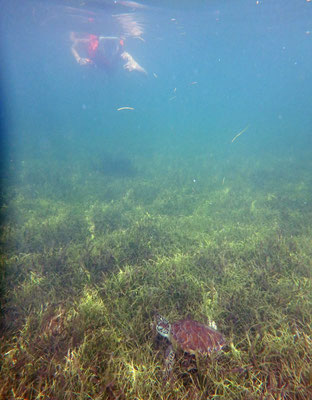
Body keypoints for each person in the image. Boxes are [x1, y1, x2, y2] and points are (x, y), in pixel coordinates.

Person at [70, 31, 146, 74]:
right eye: (106, 45)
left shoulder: (121, 53)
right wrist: (78, 59)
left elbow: (145, 73)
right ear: (100, 46)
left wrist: (134, 64)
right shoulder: (93, 50)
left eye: (112, 45)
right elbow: (73, 47)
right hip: (99, 64)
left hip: (108, 66)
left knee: (111, 72)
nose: (109, 49)